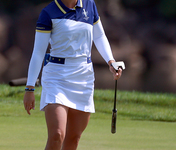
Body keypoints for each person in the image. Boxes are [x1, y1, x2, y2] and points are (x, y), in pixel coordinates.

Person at [23, 0, 122, 149]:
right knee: (57, 134)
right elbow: (38, 53)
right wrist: (30, 87)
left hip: (83, 77)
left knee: (73, 138)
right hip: (56, 77)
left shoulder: (89, 5)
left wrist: (110, 61)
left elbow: (99, 36)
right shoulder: (48, 12)